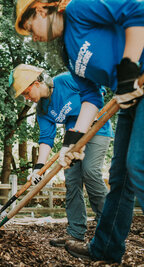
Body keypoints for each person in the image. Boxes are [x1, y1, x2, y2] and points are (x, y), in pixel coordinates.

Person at [15, 0, 144, 263]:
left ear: (40, 10)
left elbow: (137, 9)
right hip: (128, 99)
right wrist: (72, 142)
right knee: (121, 177)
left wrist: (129, 64)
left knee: (138, 165)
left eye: (30, 27)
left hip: (140, 81)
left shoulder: (77, 9)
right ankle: (106, 248)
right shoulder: (68, 53)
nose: (33, 36)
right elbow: (91, 96)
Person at [10, 64, 112, 246]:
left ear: (36, 83)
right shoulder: (42, 109)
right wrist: (38, 168)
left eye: (25, 92)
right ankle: (75, 233)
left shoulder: (65, 80)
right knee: (72, 180)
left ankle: (109, 229)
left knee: (90, 172)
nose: (26, 98)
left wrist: (93, 112)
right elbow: (46, 139)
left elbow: (98, 87)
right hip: (72, 135)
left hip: (97, 128)